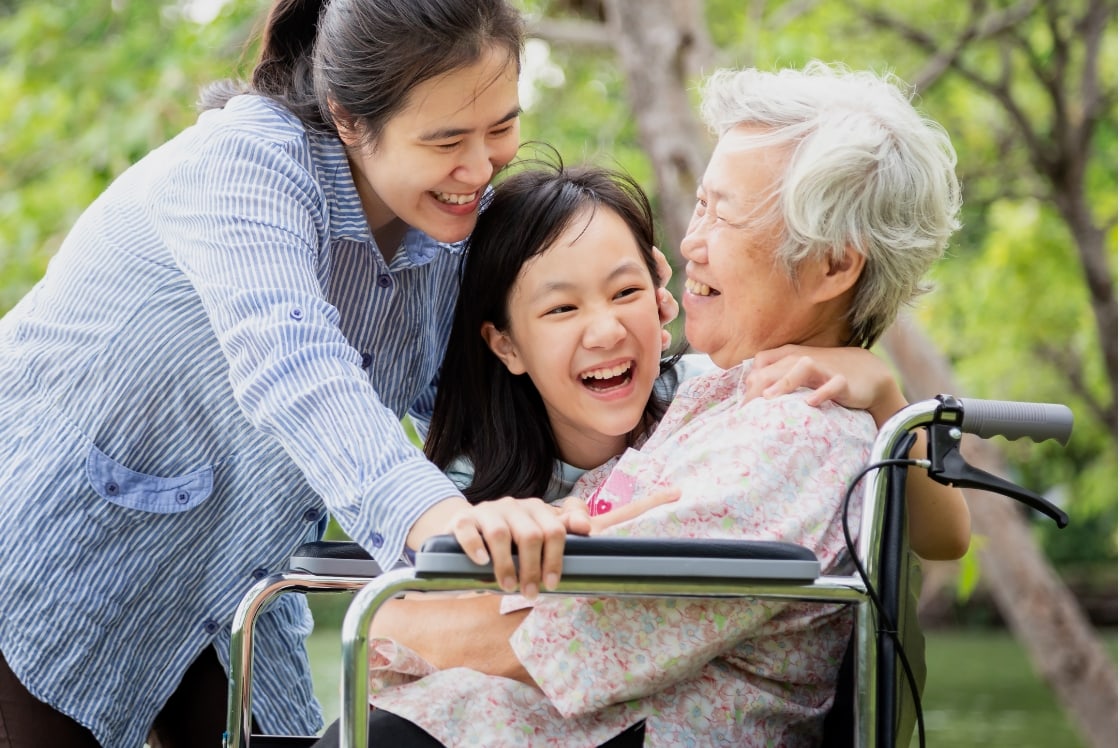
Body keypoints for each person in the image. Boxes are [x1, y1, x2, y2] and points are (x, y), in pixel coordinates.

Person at [313, 60, 966, 747]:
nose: (690, 244)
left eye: (724, 214)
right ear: (505, 343)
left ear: (833, 265)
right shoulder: (721, 392)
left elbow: (564, 632)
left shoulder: (792, 438)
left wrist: (392, 620)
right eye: (700, 206)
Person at [0, 1, 597, 746]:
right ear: (349, 120)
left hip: (229, 581)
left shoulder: (449, 228)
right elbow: (294, 366)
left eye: (502, 128)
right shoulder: (243, 164)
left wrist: (632, 345)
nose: (479, 170)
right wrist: (437, 520)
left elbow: (488, 400)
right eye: (446, 140)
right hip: (53, 552)